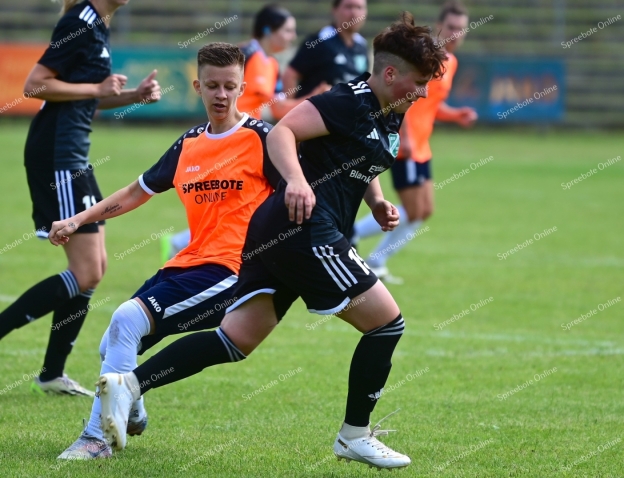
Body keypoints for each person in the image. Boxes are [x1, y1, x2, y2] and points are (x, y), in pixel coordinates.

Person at [94, 13, 446, 470]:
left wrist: (376, 200)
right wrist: (298, 182)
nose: (422, 92)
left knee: (236, 339)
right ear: (391, 72)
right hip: (305, 229)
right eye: (417, 82)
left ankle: (129, 385)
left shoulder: (391, 109)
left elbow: (358, 157)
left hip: (280, 234)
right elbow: (284, 131)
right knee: (387, 325)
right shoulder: (346, 100)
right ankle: (354, 436)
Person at [51, 42, 291, 459]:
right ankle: (134, 409)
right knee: (111, 344)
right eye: (212, 85)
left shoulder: (262, 138)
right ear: (197, 86)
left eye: (229, 86)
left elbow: (299, 192)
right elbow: (136, 191)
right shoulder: (189, 144)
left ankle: (95, 438)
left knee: (127, 318)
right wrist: (78, 220)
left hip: (232, 270)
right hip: (187, 262)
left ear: (242, 87)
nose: (220, 94)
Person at [0, 0, 161, 396]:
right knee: (87, 271)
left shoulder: (98, 24)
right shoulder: (80, 20)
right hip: (57, 154)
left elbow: (88, 99)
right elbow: (35, 84)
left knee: (95, 267)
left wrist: (133, 97)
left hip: (71, 155)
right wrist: (96, 87)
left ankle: (52, 373)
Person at [162, 4, 330, 262]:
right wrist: (316, 100)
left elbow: (273, 107)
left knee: (247, 204)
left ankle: (189, 244)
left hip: (251, 141)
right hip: (237, 141)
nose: (291, 37)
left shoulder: (268, 61)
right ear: (267, 30)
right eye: (287, 31)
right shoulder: (251, 55)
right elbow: (277, 108)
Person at [351, 1, 477, 283]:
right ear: (440, 27)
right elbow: (405, 99)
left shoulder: (451, 63)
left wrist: (456, 116)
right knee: (413, 210)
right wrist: (403, 136)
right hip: (406, 145)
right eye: (452, 27)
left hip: (422, 147)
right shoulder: (424, 60)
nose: (457, 33)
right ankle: (355, 236)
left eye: (462, 29)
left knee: (424, 210)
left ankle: (376, 260)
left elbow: (431, 106)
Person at [282, 0, 369, 97]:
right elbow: (290, 75)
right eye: (348, 7)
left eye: (359, 7)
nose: (354, 13)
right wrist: (291, 108)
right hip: (317, 111)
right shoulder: (319, 41)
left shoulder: (362, 45)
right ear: (334, 10)